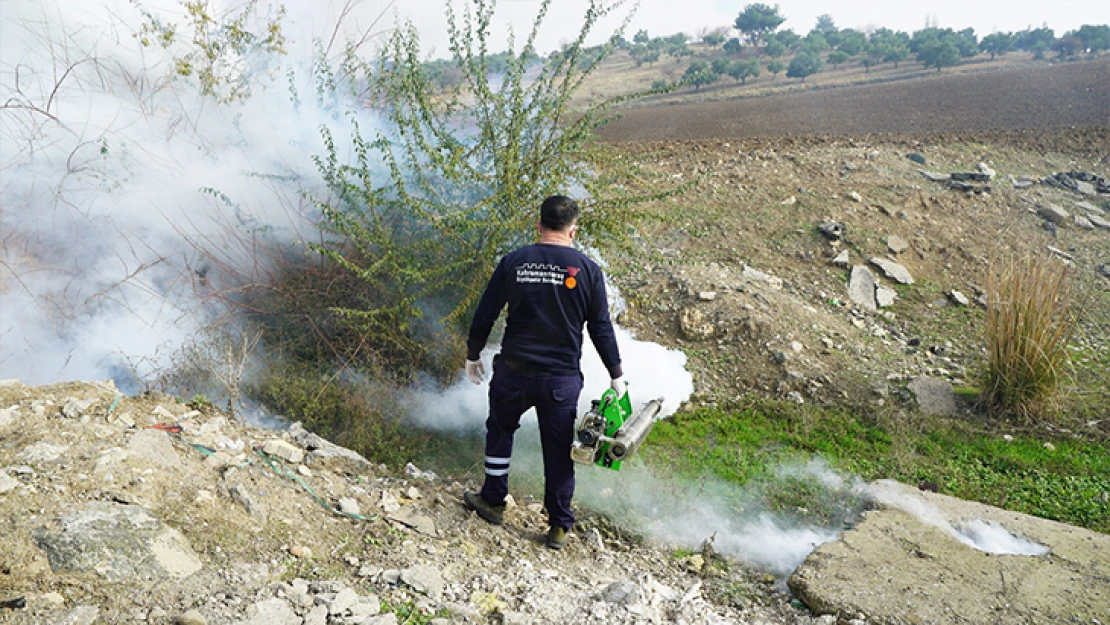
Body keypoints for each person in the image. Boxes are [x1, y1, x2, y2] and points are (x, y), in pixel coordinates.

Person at [463, 195, 624, 550]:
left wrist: (473, 353)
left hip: (514, 372)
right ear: (573, 230)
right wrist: (616, 373)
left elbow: (486, 311)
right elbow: (600, 327)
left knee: (500, 430)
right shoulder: (589, 270)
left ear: (538, 226)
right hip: (560, 381)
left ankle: (492, 500)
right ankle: (559, 526)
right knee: (558, 449)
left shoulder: (514, 262)